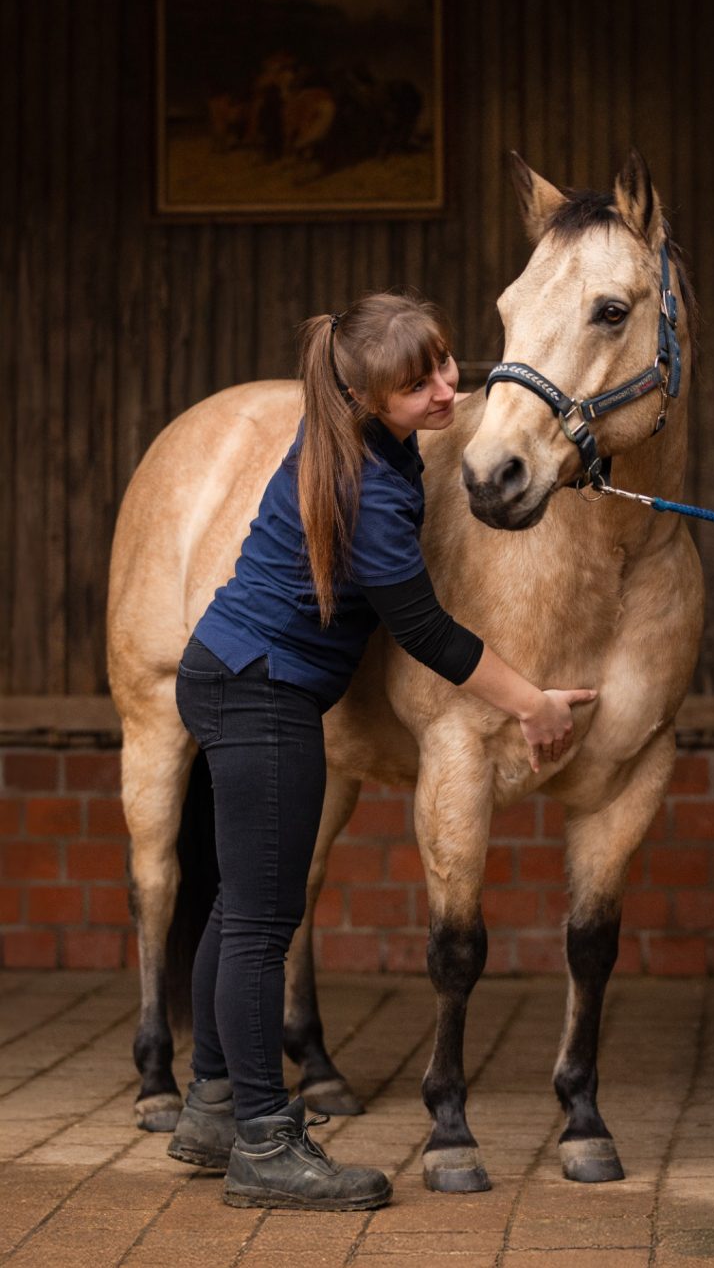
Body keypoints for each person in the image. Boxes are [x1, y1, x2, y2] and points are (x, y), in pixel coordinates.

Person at [169, 293, 597, 1210]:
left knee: (239, 904)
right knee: (260, 920)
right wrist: (532, 703)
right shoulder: (360, 489)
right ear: (367, 399)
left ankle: (209, 1101)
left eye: (447, 362)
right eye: (422, 382)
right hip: (260, 691)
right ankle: (259, 1142)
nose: (451, 388)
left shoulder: (354, 434)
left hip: (235, 672)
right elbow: (432, 637)